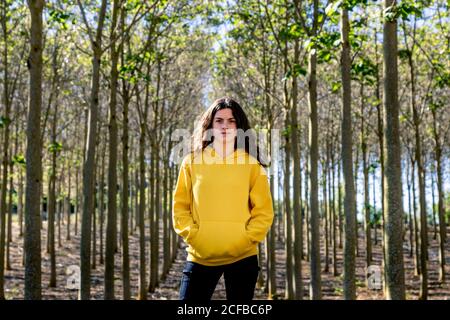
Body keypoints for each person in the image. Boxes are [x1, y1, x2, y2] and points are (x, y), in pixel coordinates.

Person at [172, 97, 274, 302]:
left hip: (242, 257)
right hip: (200, 255)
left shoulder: (252, 165)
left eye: (231, 120)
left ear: (239, 126)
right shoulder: (191, 162)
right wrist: (195, 237)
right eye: (219, 120)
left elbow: (263, 212)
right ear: (209, 125)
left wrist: (245, 240)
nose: (225, 126)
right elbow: (180, 208)